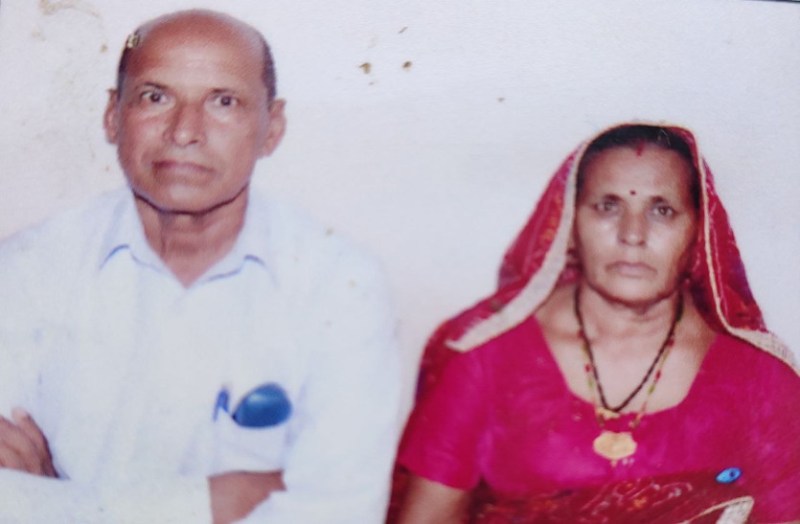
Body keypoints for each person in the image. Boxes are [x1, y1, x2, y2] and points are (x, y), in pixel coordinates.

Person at [0, 9, 400, 523]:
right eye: (155, 97)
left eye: (223, 102)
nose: (185, 131)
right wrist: (213, 501)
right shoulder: (27, 270)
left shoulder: (339, 287)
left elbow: (337, 513)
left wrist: (59, 503)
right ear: (113, 116)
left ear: (272, 128)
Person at [391, 123, 800, 523]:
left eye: (662, 210)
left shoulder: (759, 379)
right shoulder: (487, 361)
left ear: (698, 232)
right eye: (608, 206)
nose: (632, 234)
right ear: (569, 224)